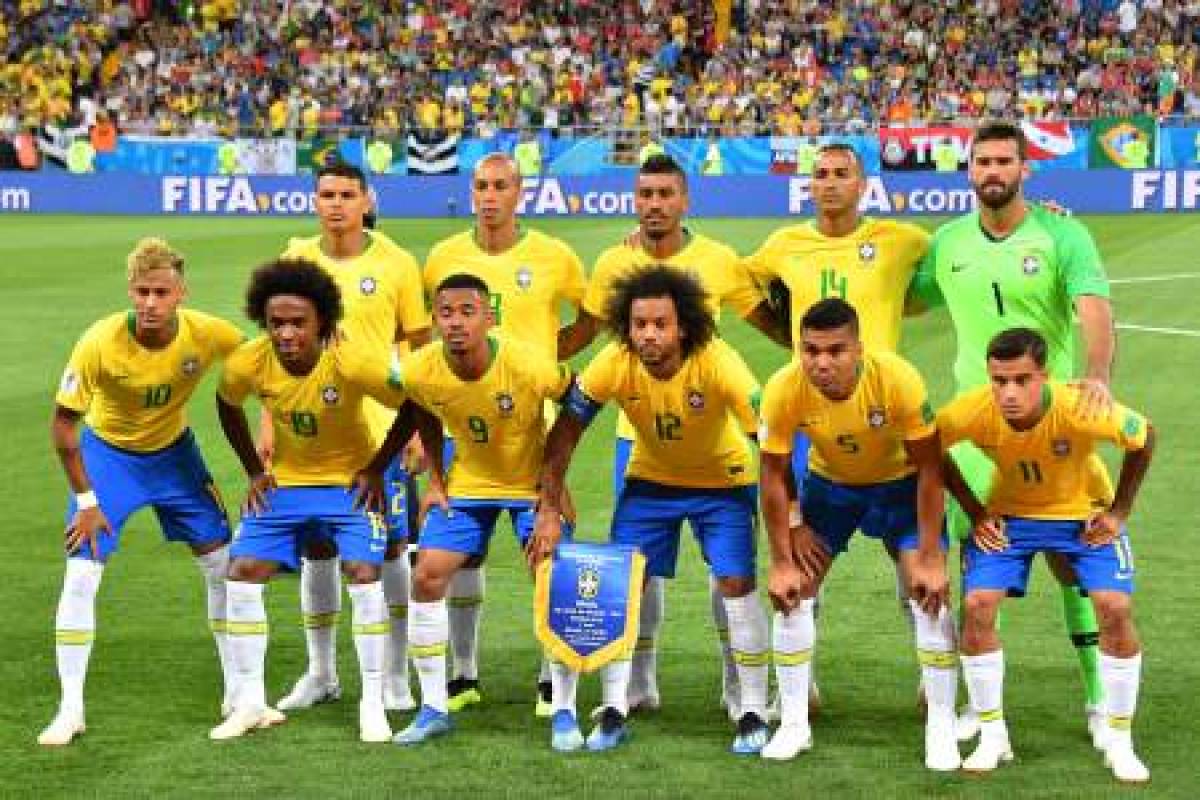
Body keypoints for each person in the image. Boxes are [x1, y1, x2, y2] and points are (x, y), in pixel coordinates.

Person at [560, 153, 786, 720]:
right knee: (639, 571)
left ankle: (742, 695)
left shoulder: (717, 260)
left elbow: (766, 321)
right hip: (635, 437)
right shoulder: (613, 260)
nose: (654, 204)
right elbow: (587, 332)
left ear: (685, 200)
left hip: (709, 429)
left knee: (728, 573)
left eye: (665, 194)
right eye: (645, 194)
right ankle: (638, 686)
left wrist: (818, 356)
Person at [911, 120, 1117, 743]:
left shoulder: (1062, 232)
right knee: (973, 555)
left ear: (1025, 169)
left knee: (1075, 561)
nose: (992, 171)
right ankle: (970, 696)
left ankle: (1098, 697)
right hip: (974, 428)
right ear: (968, 171)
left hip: (1052, 422)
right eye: (982, 162)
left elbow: (1094, 308)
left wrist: (1098, 376)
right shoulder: (947, 242)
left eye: (1004, 161)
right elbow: (905, 297)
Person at [530, 266, 770, 755]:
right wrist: (549, 504)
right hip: (651, 483)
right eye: (640, 324)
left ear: (684, 327)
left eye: (660, 324)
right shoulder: (615, 361)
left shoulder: (718, 361)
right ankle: (618, 706)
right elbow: (565, 435)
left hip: (722, 483)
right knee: (622, 582)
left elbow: (768, 442)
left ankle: (752, 708)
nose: (649, 335)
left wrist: (785, 518)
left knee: (735, 585)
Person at [742, 143, 933, 709]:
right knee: (801, 554)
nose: (828, 184)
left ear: (863, 184)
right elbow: (737, 281)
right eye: (819, 175)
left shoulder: (902, 240)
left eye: (841, 174)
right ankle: (799, 691)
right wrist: (783, 336)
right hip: (811, 424)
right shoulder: (783, 244)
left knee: (912, 559)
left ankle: (935, 677)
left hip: (885, 421)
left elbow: (960, 247)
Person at [210, 257, 427, 743]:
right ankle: (249, 701)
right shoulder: (249, 359)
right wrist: (252, 471)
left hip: (348, 487)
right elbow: (226, 405)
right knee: (241, 574)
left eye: (298, 323)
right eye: (276, 323)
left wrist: (375, 466)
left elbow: (414, 401)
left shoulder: (350, 359)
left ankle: (373, 702)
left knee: (364, 572)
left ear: (322, 322)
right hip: (286, 486)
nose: (286, 333)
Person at [39, 238, 245, 746]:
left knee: (223, 565)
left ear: (181, 294)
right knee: (81, 574)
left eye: (160, 292)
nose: (150, 303)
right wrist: (87, 502)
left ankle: (238, 691)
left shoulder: (206, 333)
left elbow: (261, 360)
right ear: (130, 291)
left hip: (175, 457)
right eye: (141, 292)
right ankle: (70, 709)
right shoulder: (100, 341)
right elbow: (64, 426)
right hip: (108, 459)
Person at [938, 328, 1154, 783]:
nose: (1009, 393)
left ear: (1045, 376)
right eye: (999, 380)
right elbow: (927, 445)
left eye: (1021, 380)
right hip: (1010, 519)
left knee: (1114, 607)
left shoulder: (1078, 405)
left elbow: (1143, 436)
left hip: (1084, 517)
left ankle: (1119, 737)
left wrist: (1120, 511)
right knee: (977, 606)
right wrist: (976, 512)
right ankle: (993, 736)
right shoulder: (975, 408)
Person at [370, 273, 575, 745]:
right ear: (435, 320)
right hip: (468, 484)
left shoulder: (529, 365)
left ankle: (562, 706)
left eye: (467, 312)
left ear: (490, 317)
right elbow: (420, 408)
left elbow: (578, 405)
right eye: (445, 313)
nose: (456, 322)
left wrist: (553, 487)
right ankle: (433, 707)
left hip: (529, 486)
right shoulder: (420, 367)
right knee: (427, 573)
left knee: (551, 574)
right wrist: (436, 482)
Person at [756, 298, 957, 769]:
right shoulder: (784, 387)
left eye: (835, 350)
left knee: (926, 589)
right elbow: (772, 475)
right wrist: (787, 544)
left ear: (859, 349)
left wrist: (929, 553)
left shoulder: (897, 379)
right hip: (831, 491)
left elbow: (930, 469)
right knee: (794, 590)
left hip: (901, 488)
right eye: (810, 351)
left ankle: (942, 725)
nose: (821, 362)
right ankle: (793, 722)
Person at [423, 153, 587, 716]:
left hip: (532, 426)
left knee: (544, 549)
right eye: (480, 186)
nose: (489, 196)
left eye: (500, 186)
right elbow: (430, 333)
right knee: (460, 555)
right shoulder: (444, 257)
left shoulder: (554, 256)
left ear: (520, 192)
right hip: (462, 426)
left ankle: (550, 680)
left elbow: (589, 319)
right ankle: (462, 674)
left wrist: (547, 355)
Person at [270, 163, 430, 717]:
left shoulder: (396, 263)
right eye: (326, 195)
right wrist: (270, 422)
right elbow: (276, 348)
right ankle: (321, 673)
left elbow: (416, 343)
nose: (335, 204)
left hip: (378, 432)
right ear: (315, 202)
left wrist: (417, 428)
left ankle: (393, 672)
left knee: (388, 549)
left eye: (346, 195)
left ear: (367, 200)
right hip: (308, 431)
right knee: (316, 546)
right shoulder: (296, 259)